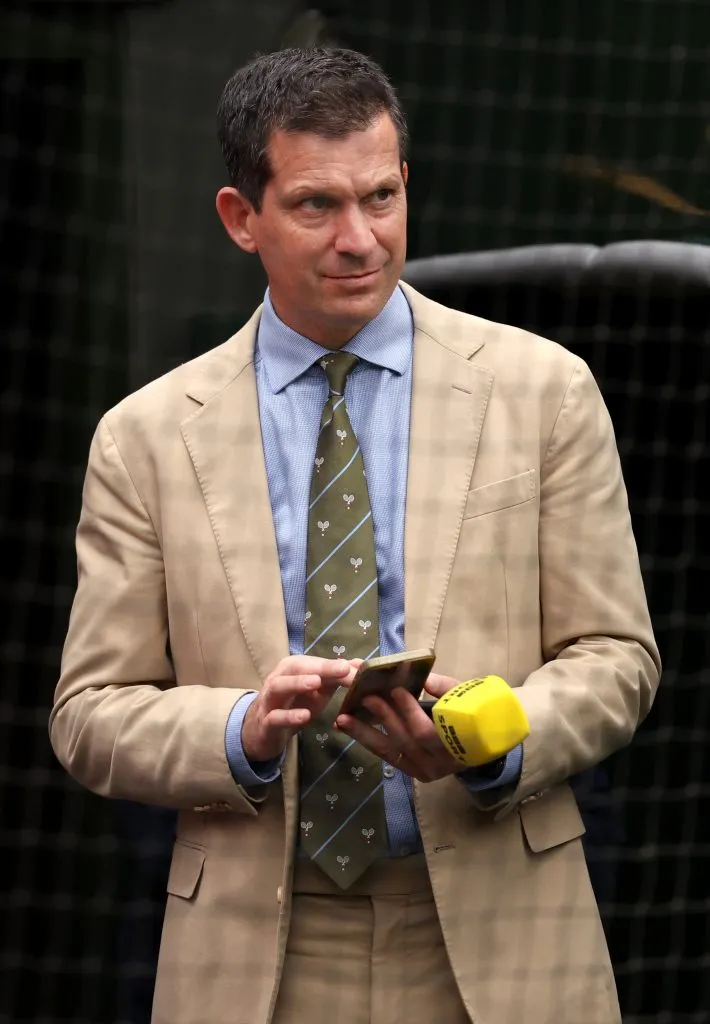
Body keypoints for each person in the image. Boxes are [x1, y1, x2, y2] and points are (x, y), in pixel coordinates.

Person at [50, 47, 660, 1024]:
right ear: (238, 218)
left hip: (503, 937)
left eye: (379, 196)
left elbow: (618, 657)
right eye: (315, 206)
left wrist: (485, 737)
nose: (359, 238)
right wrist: (240, 728)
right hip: (255, 958)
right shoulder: (146, 436)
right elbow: (89, 713)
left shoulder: (545, 390)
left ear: (406, 183)